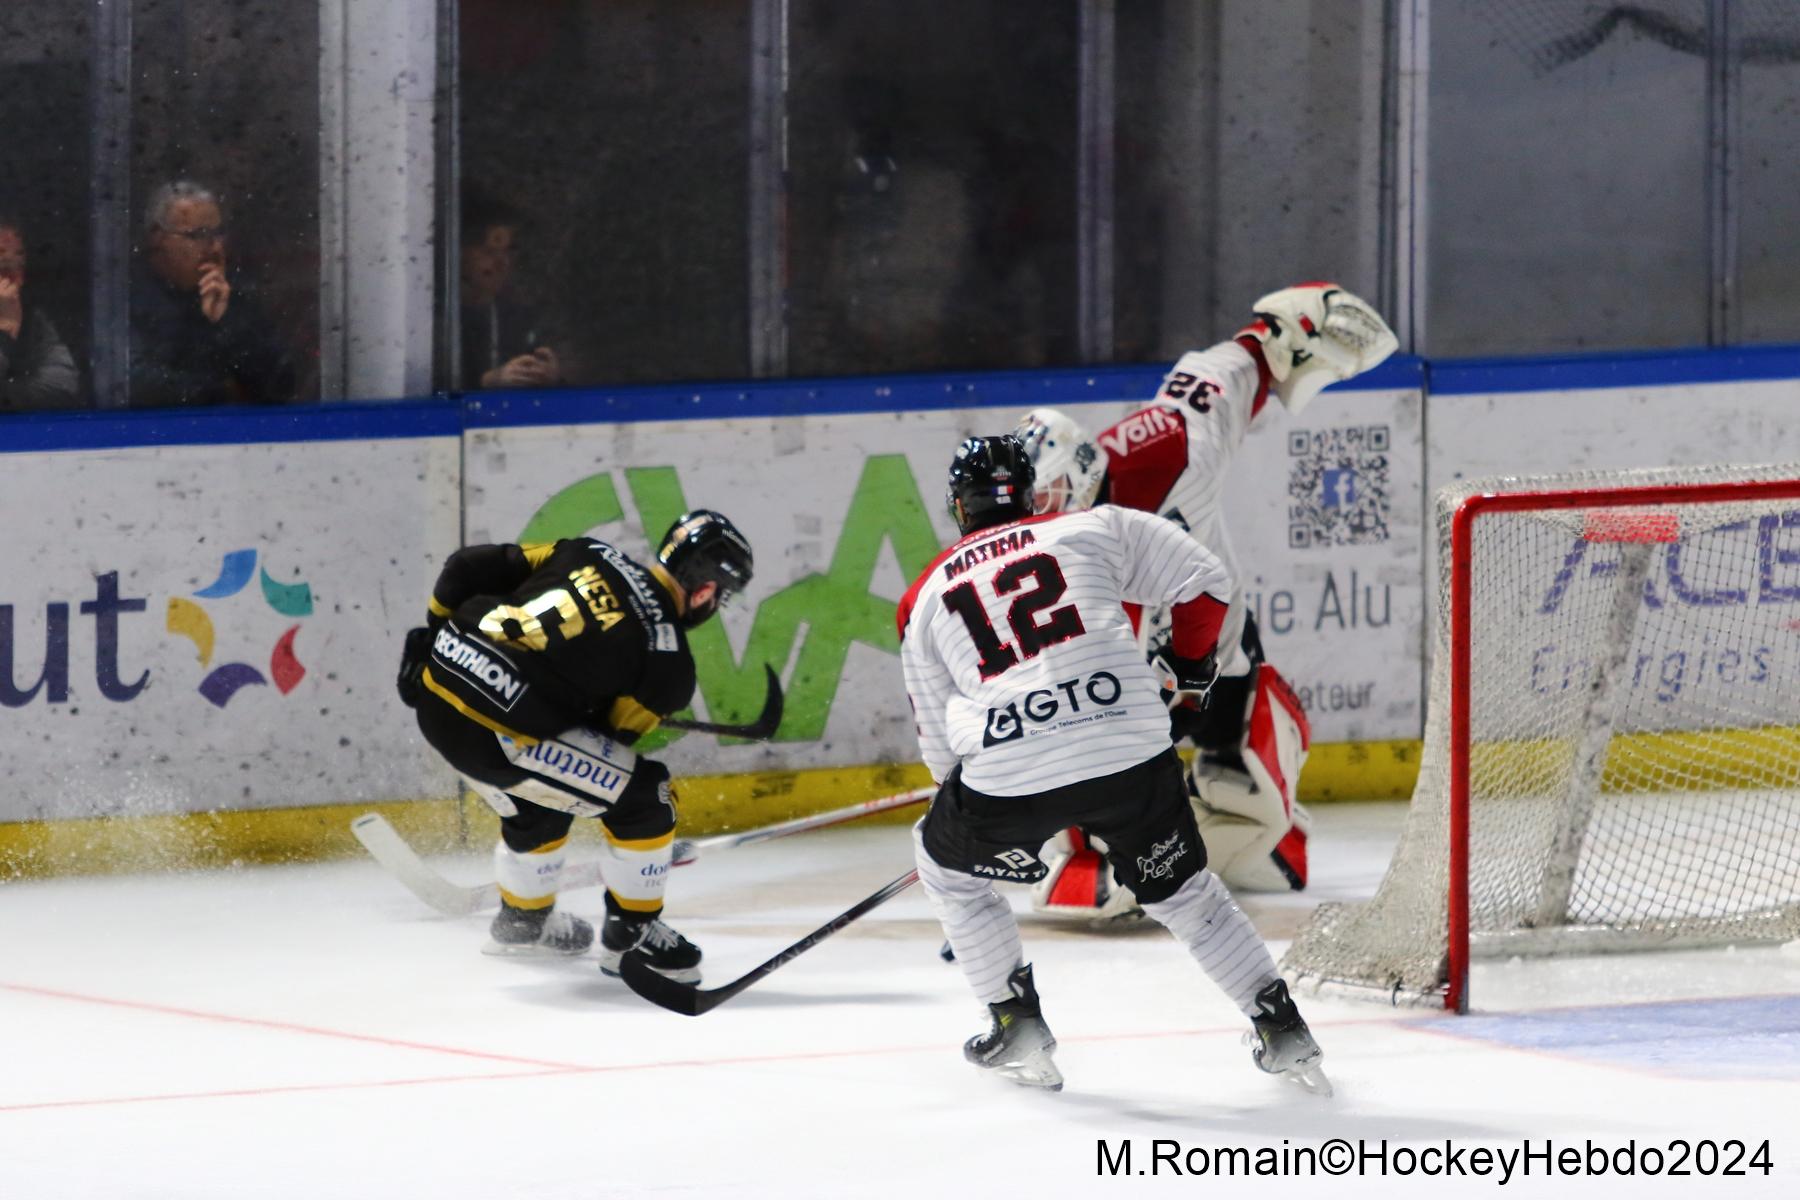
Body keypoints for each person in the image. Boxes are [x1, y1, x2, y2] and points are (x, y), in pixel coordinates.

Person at [898, 435, 1328, 1094]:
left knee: (943, 867)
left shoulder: (923, 595)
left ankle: (1013, 1020)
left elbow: (938, 754)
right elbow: (1207, 584)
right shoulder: (1092, 526)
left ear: (960, 505)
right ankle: (1282, 1026)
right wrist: (1188, 669)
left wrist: (985, 831)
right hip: (1128, 748)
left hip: (1010, 771)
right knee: (1187, 895)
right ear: (1031, 489)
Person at [1014, 283, 1397, 913]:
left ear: (1085, 469)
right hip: (1129, 693)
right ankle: (1092, 853)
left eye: (1052, 497)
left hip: (1218, 651)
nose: (1041, 515)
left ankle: (1205, 841)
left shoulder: (1172, 444)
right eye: (1032, 504)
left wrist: (1280, 336)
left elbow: (1218, 376)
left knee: (1265, 833)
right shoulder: (1035, 561)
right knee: (1092, 804)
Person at [394, 510, 754, 981]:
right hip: (495, 734)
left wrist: (433, 634)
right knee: (647, 799)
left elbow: (465, 567)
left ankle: (524, 922)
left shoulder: (588, 551)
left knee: (543, 793)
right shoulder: (669, 665)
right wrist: (647, 852)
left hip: (437, 683)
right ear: (705, 591)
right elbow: (603, 747)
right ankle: (634, 936)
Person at [129, 179, 297, 408]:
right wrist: (224, 392)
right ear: (158, 239)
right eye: (199, 236)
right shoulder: (126, 298)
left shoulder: (232, 295)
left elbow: (280, 384)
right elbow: (138, 386)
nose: (215, 248)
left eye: (218, 235)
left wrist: (227, 322)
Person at [460, 184, 561, 391]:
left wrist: (551, 376)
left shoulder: (520, 317)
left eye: (509, 252)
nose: (502, 263)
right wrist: (487, 382)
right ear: (458, 253)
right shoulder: (431, 324)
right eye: (488, 251)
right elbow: (423, 393)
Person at [0, 214, 81, 411]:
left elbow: (62, 386)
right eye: (0, 255)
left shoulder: (34, 320)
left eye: (19, 256)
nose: (11, 269)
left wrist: (9, 395)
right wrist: (4, 330)